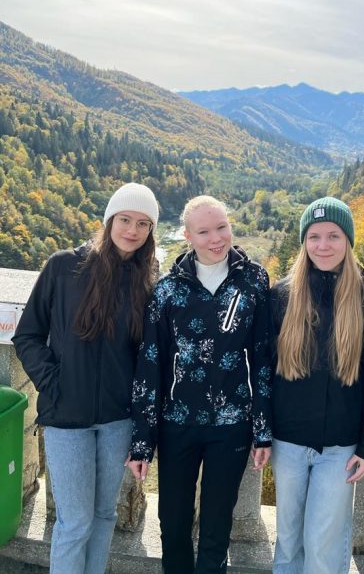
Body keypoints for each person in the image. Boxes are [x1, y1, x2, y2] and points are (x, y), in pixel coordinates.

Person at [12, 182, 160, 574]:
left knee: (104, 515)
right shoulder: (63, 267)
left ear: (151, 231)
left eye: (143, 223)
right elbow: (27, 335)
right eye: (125, 219)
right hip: (67, 419)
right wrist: (53, 383)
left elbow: (148, 356)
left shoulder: (146, 281)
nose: (132, 230)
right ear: (109, 220)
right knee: (74, 523)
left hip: (117, 421)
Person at [127, 195, 272, 574]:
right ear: (188, 236)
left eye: (222, 227)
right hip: (177, 423)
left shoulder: (253, 280)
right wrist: (142, 441)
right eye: (204, 231)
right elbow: (150, 365)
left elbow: (263, 356)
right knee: (173, 523)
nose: (216, 238)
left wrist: (262, 430)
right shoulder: (167, 290)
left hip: (232, 423)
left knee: (217, 527)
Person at [270, 196, 364, 574]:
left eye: (334, 236)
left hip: (341, 447)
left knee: (324, 543)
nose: (323, 245)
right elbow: (262, 371)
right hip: (287, 442)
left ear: (348, 240)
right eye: (314, 236)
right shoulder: (281, 297)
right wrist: (261, 433)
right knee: (288, 539)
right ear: (304, 242)